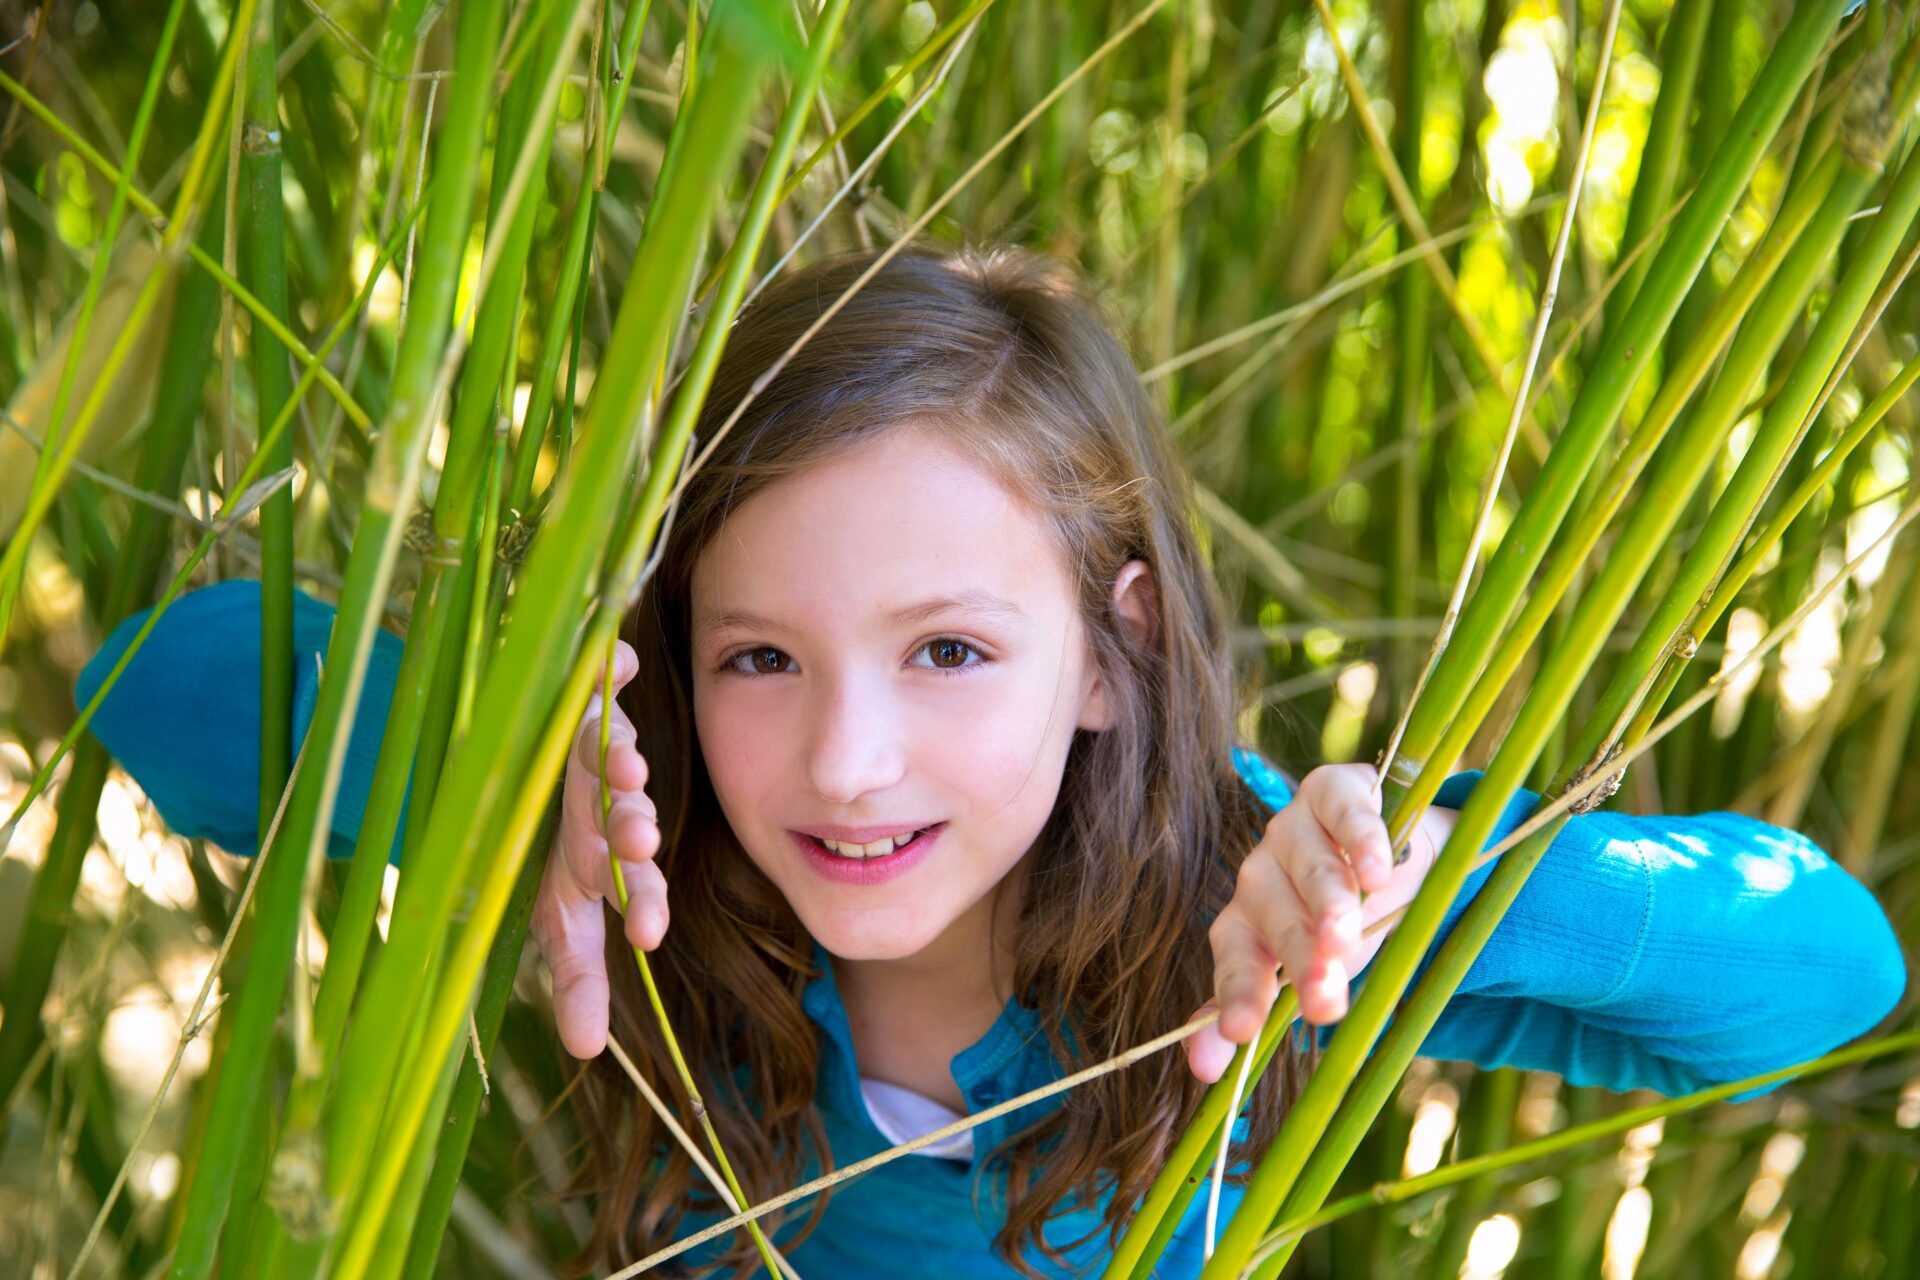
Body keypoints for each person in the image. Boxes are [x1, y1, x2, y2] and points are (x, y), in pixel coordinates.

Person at [79, 244, 1907, 1278]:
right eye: (758, 658)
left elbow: (1829, 966)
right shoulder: (636, 855)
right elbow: (156, 689)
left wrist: (1426, 890)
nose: (847, 761)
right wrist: (504, 778)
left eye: (948, 651)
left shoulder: (1247, 924)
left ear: (1115, 653)